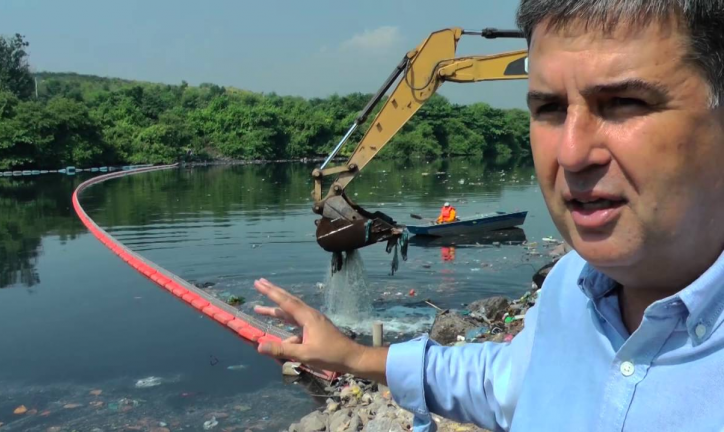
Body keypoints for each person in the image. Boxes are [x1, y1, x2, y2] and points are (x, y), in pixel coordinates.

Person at [252, 0, 724, 430]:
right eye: (549, 108)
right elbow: (504, 381)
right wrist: (352, 356)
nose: (572, 153)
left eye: (623, 103)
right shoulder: (568, 288)